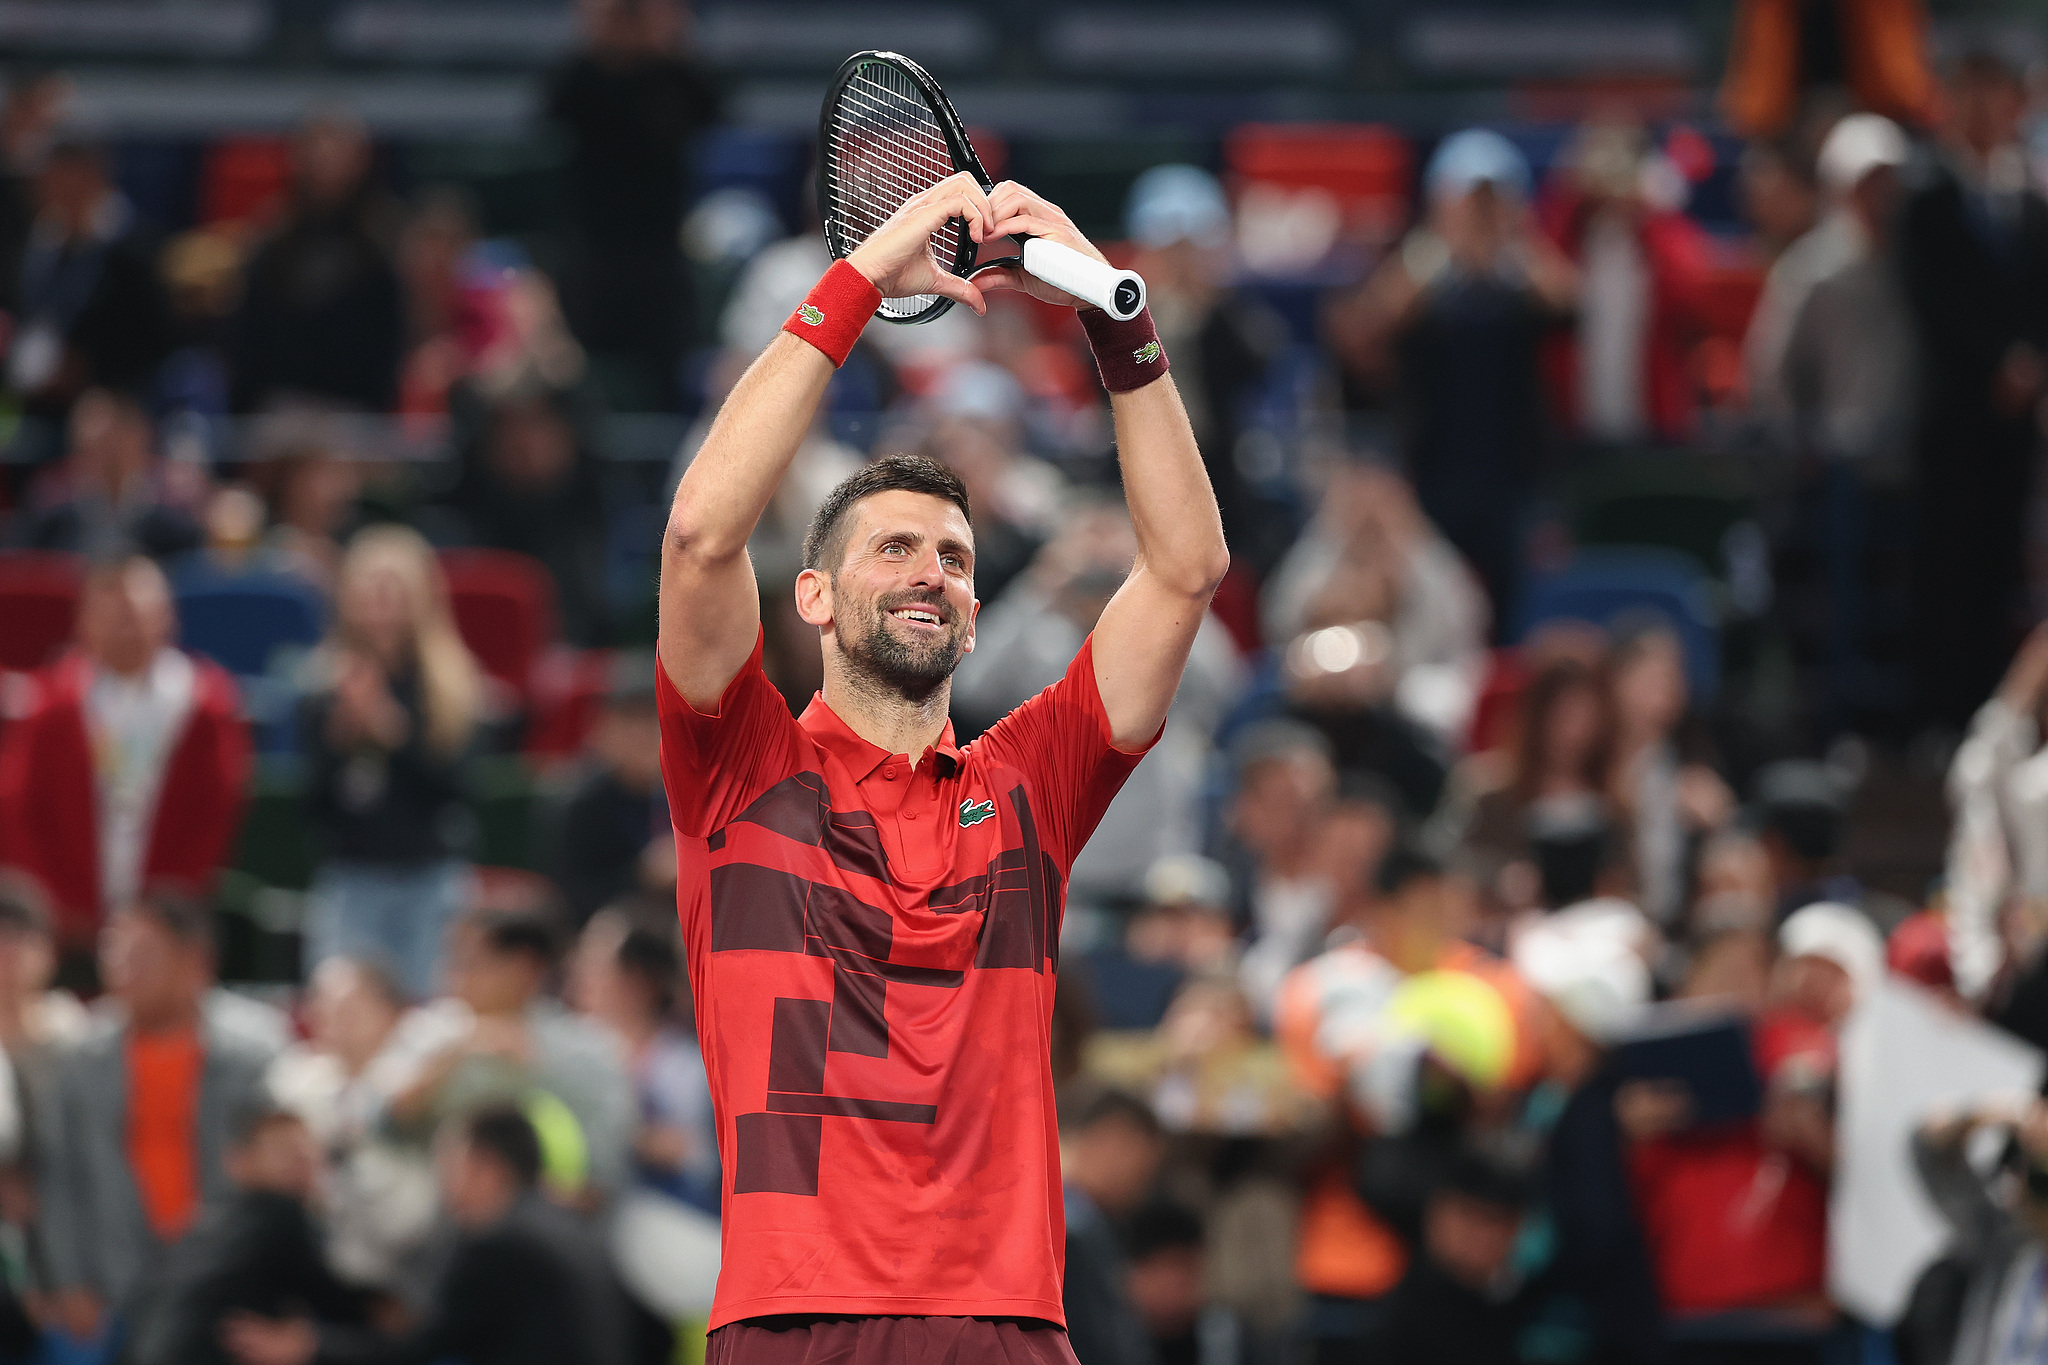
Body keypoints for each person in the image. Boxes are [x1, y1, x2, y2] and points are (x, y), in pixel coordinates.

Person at [656, 171, 1227, 1361]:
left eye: (956, 558)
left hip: (1003, 1324)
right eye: (896, 547)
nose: (932, 571)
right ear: (810, 595)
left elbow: (1182, 569)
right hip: (790, 1321)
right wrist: (857, 285)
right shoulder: (735, 766)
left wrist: (1117, 321)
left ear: (974, 614)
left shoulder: (1033, 781)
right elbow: (704, 531)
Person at [1326, 128, 1576, 630]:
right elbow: (1369, 328)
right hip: (1433, 474)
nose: (1479, 211)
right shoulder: (1423, 271)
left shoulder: (1521, 274)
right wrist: (1443, 243)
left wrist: (1512, 237)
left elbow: (1569, 303)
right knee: (1435, 606)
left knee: (1514, 612)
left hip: (1513, 476)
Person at [38, 890, 279, 1351]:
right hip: (116, 1285)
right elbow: (60, 1179)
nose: (122, 968)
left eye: (142, 953)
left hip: (225, 1285)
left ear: (197, 961)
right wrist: (68, 1281)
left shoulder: (256, 1058)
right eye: (112, 951)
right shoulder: (79, 1062)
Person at [223, 1104, 630, 1365]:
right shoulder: (574, 1230)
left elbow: (418, 1348)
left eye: (448, 1163)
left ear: (483, 1166)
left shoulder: (497, 1245)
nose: (444, 1183)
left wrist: (311, 1347)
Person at [0, 555, 249, 976]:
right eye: (111, 616)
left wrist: (165, 911)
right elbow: (20, 808)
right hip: (68, 923)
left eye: (136, 614)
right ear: (84, 624)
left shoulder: (204, 705)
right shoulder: (51, 706)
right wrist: (55, 905)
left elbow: (215, 811)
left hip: (166, 923)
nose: (125, 628)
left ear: (166, 618)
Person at [1899, 50, 2048, 730]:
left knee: (2001, 569)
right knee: (1947, 568)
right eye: (1971, 92)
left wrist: (2031, 364)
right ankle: (1941, 716)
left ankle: (1998, 718)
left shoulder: (2031, 199)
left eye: (1998, 94)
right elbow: (1932, 299)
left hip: (2018, 425)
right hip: (1955, 415)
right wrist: (1996, 361)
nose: (1985, 109)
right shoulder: (1927, 194)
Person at [299, 526, 483, 999]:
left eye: (393, 594)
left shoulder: (450, 687)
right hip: (352, 878)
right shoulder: (324, 689)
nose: (381, 609)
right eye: (370, 594)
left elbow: (458, 791)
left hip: (430, 880)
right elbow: (310, 805)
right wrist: (340, 742)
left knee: (431, 1015)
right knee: (343, 1014)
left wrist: (393, 732)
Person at [381, 907, 635, 1206]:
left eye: (470, 962)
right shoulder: (426, 1031)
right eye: (450, 959)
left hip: (551, 1221)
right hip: (433, 1212)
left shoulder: (586, 1048)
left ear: (523, 966)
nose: (450, 973)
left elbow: (608, 1168)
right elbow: (378, 1121)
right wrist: (452, 1057)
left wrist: (537, 1066)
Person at [544, 0, 718, 407]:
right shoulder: (582, 80)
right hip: (591, 255)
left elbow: (715, 108)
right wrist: (598, 40)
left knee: (667, 379)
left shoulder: (674, 79)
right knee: (578, 378)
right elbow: (551, 110)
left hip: (661, 256)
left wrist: (669, 41)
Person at [129, 1106, 368, 1365]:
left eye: (309, 1152)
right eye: (285, 1152)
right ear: (239, 1161)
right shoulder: (278, 1211)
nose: (301, 1162)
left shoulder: (194, 1227)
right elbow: (342, 1306)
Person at [230, 112, 403, 413]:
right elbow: (249, 345)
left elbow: (386, 350)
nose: (328, 163)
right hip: (278, 414)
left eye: (338, 152)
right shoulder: (272, 242)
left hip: (356, 419)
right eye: (318, 150)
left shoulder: (382, 245)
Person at [0, 140, 171, 420]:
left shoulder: (136, 252)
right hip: (32, 403)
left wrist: (86, 368)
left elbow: (152, 340)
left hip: (111, 411)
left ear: (95, 177)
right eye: (49, 180)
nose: (55, 192)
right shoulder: (34, 247)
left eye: (68, 180)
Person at [566, 908, 717, 1213]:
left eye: (596, 962)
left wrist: (616, 1132)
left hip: (658, 1210)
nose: (579, 971)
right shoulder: (555, 1042)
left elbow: (698, 1156)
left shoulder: (682, 1066)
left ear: (640, 980)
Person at [546, 655, 672, 927]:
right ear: (603, 729)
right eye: (630, 721)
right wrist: (641, 875)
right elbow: (570, 901)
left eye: (652, 720)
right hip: (612, 936)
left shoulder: (690, 795)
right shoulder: (582, 805)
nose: (643, 736)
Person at [8, 387, 203, 559]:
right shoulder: (50, 504)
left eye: (108, 446)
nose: (99, 460)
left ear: (136, 439)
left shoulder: (175, 500)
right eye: (86, 448)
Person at [1059, 1089, 1166, 1365]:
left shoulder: (1089, 1224)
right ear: (1113, 1139)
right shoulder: (1072, 1232)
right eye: (1145, 1170)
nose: (1144, 1186)